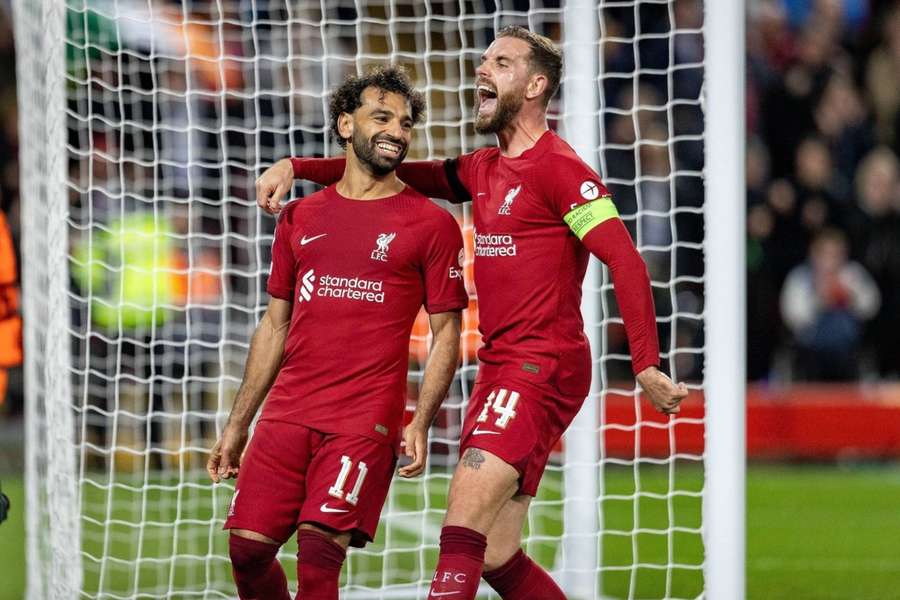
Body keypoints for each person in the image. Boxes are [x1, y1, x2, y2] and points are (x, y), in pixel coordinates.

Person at [255, 26, 687, 600]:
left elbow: (625, 261)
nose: (482, 70)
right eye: (484, 61)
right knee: (498, 553)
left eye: (501, 63)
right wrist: (298, 167)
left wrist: (645, 364)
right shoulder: (483, 169)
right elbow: (393, 172)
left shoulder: (562, 171)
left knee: (461, 526)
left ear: (535, 86)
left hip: (541, 365)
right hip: (502, 366)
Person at [207, 66, 468, 600]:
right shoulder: (300, 217)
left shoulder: (431, 224)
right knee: (248, 551)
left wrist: (421, 419)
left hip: (362, 420)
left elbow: (447, 333)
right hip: (287, 412)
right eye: (382, 117)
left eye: (406, 121)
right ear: (345, 125)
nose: (398, 130)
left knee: (319, 558)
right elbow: (274, 325)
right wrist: (238, 425)